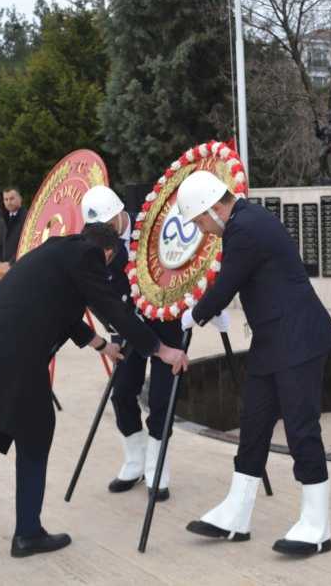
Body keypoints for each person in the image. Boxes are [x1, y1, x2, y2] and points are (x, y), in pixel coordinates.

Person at [0, 222, 189, 563]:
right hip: (14, 359)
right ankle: (28, 533)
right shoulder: (88, 256)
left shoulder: (53, 251)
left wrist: (101, 344)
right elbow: (113, 309)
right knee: (35, 435)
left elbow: (62, 312)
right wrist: (162, 350)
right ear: (107, 252)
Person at [176, 171, 331, 557]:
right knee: (253, 424)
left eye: (199, 221)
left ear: (214, 209)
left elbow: (228, 281)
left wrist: (196, 314)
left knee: (301, 428)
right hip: (272, 342)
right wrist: (213, 310)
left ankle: (317, 524)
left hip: (298, 339)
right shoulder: (243, 223)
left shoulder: (245, 227)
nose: (202, 230)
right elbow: (245, 279)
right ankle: (236, 513)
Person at [80, 186, 188, 501]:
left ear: (119, 213)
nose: (102, 233)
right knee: (123, 393)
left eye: (106, 225)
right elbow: (94, 294)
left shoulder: (151, 227)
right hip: (126, 326)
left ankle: (156, 465)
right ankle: (135, 461)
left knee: (161, 398)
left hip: (166, 322)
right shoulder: (92, 244)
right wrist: (112, 329)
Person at [0, 187, 26, 266]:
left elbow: (26, 245)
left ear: (20, 199)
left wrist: (10, 263)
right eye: (6, 199)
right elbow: (0, 244)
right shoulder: (4, 219)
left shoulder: (27, 218)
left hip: (19, 266)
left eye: (12, 199)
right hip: (2, 268)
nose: (9, 202)